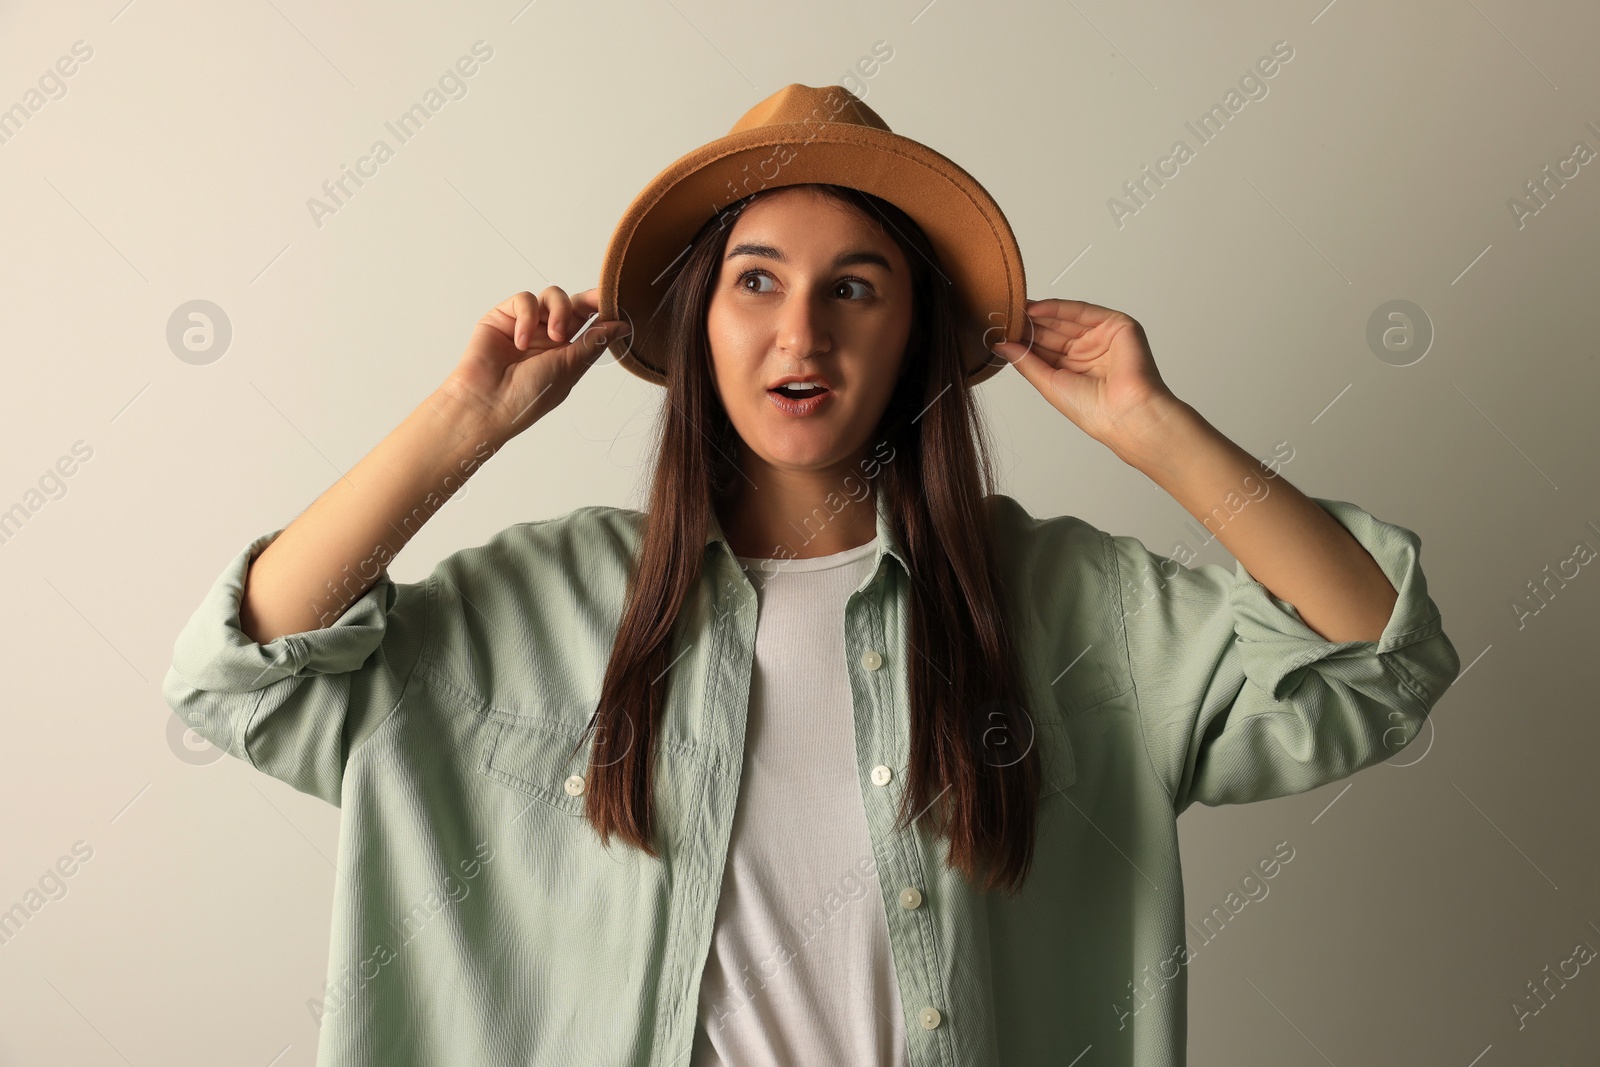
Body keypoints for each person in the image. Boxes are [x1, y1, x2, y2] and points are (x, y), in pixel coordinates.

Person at [163, 84, 1461, 1066]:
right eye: (756, 281)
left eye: (856, 288)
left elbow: (1378, 661)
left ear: (914, 336)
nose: (802, 332)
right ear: (699, 322)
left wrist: (1153, 428)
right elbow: (240, 677)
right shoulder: (540, 599)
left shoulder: (1060, 604)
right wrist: (463, 423)